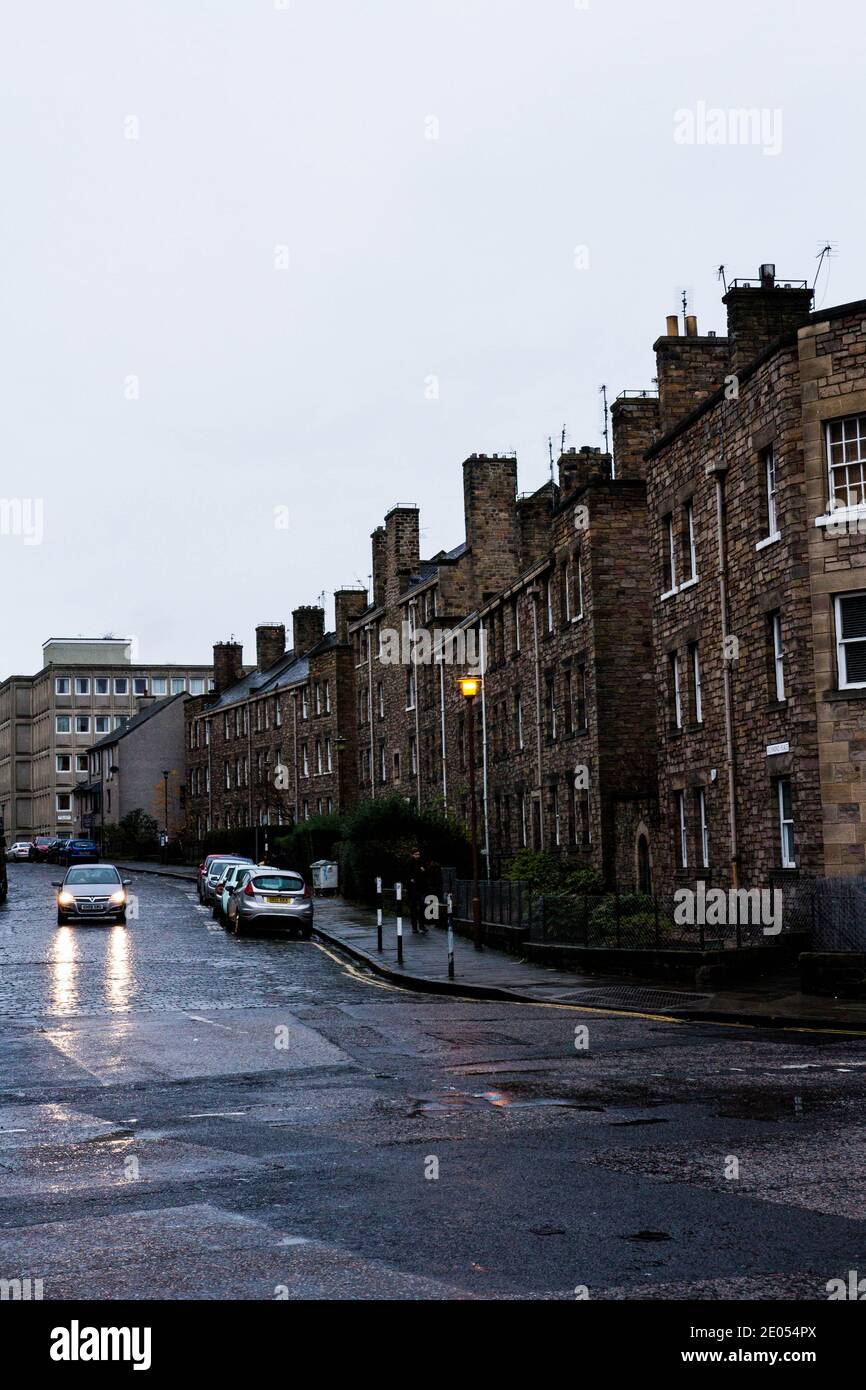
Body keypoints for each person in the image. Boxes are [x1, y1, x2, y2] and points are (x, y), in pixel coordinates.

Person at [407, 847, 427, 934]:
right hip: (412, 890)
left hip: (421, 888)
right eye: (416, 854)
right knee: (413, 908)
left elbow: (426, 873)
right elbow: (407, 875)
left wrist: (423, 870)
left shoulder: (421, 862)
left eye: (418, 854)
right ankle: (414, 927)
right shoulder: (409, 863)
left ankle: (422, 925)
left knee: (422, 906)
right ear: (412, 855)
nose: (417, 856)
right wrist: (411, 879)